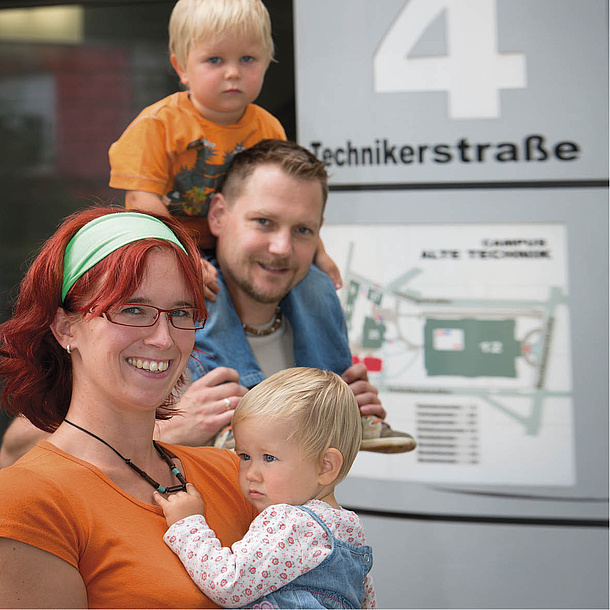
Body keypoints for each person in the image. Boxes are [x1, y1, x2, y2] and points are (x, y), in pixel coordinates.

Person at [0, 207, 257, 608]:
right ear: (66, 328)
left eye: (181, 313)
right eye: (133, 310)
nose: (163, 338)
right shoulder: (29, 501)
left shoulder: (233, 472)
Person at [190, 138, 416, 453]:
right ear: (217, 216)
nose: (282, 247)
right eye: (264, 222)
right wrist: (167, 431)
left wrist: (345, 416)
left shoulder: (318, 308)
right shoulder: (164, 332)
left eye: (303, 230)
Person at [108, 0, 341, 296]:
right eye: (215, 60)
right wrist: (184, 255)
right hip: (169, 242)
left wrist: (318, 252)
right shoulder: (157, 125)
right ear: (182, 67)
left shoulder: (268, 129)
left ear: (267, 61)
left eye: (247, 59)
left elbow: (289, 205)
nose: (233, 72)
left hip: (241, 245)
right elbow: (142, 201)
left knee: (316, 289)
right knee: (212, 304)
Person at [154, 367, 377, 609]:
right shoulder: (349, 529)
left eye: (269, 458)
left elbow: (227, 584)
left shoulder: (288, 520)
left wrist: (187, 525)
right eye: (245, 456)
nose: (251, 473)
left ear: (325, 467)